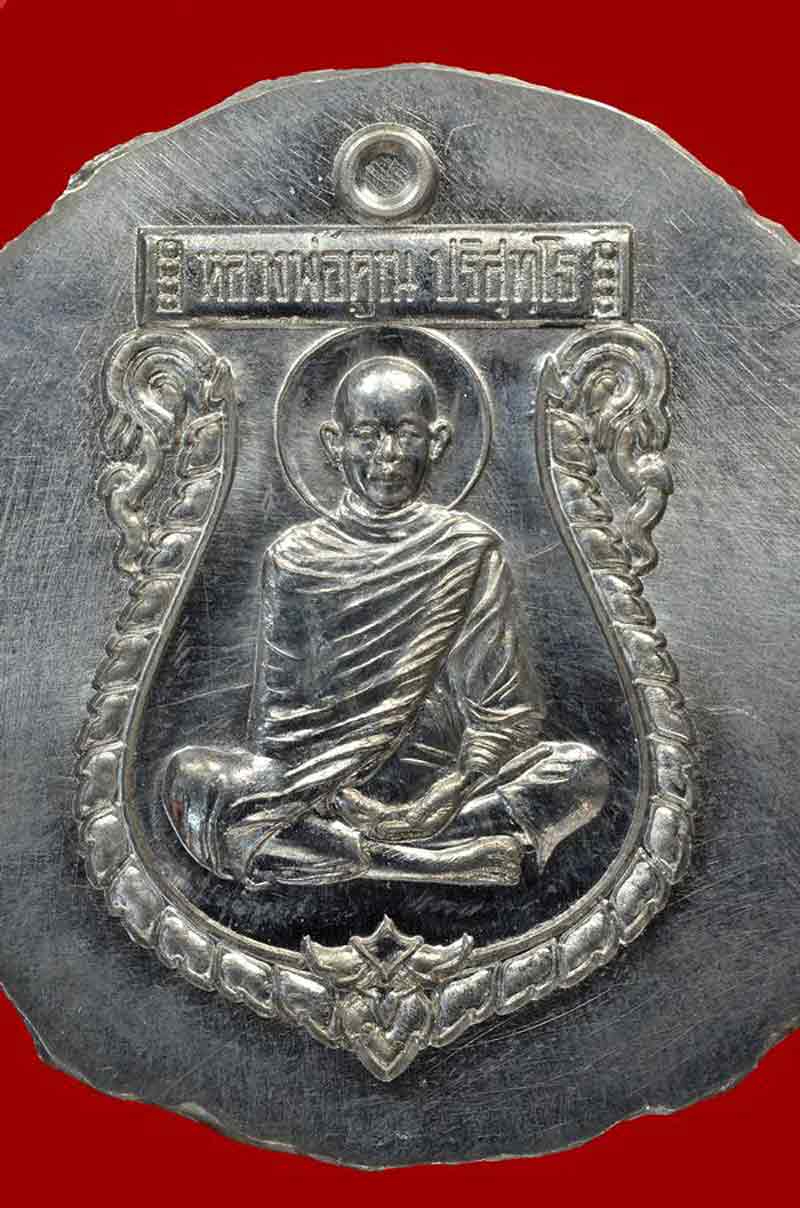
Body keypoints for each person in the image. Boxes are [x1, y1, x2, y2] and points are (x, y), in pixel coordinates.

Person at [163, 356, 608, 889]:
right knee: (193, 780)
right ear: (334, 444)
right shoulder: (296, 557)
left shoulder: (467, 551)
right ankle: (431, 863)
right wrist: (334, 794)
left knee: (580, 774)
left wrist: (455, 786)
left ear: (437, 443)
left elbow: (504, 709)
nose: (388, 456)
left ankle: (345, 851)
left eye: (406, 434)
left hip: (447, 786)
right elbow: (280, 730)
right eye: (367, 436)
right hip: (321, 792)